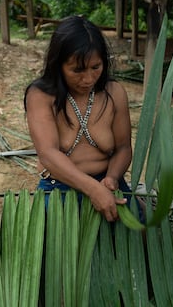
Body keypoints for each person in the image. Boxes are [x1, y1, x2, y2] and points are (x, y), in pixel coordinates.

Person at [24, 15, 134, 222]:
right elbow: (47, 154)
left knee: (137, 238)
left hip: (108, 182)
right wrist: (93, 190)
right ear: (58, 65)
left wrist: (111, 179)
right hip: (59, 187)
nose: (88, 79)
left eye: (96, 67)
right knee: (63, 250)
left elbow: (123, 148)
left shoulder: (115, 92)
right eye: (77, 70)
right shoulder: (41, 96)